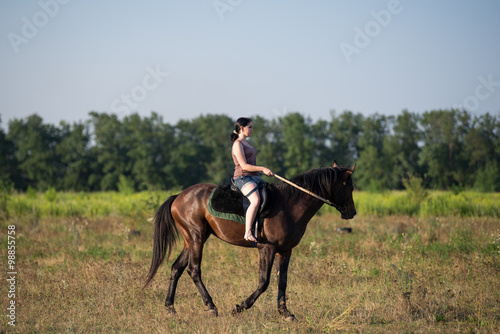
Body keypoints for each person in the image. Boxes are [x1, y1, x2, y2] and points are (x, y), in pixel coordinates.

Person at [231, 117, 274, 242]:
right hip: (243, 177)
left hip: (255, 177)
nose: (252, 130)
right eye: (250, 127)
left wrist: (261, 171)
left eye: (252, 127)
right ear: (242, 128)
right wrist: (263, 168)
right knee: (255, 200)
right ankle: (248, 232)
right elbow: (244, 166)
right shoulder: (237, 144)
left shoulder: (247, 143)